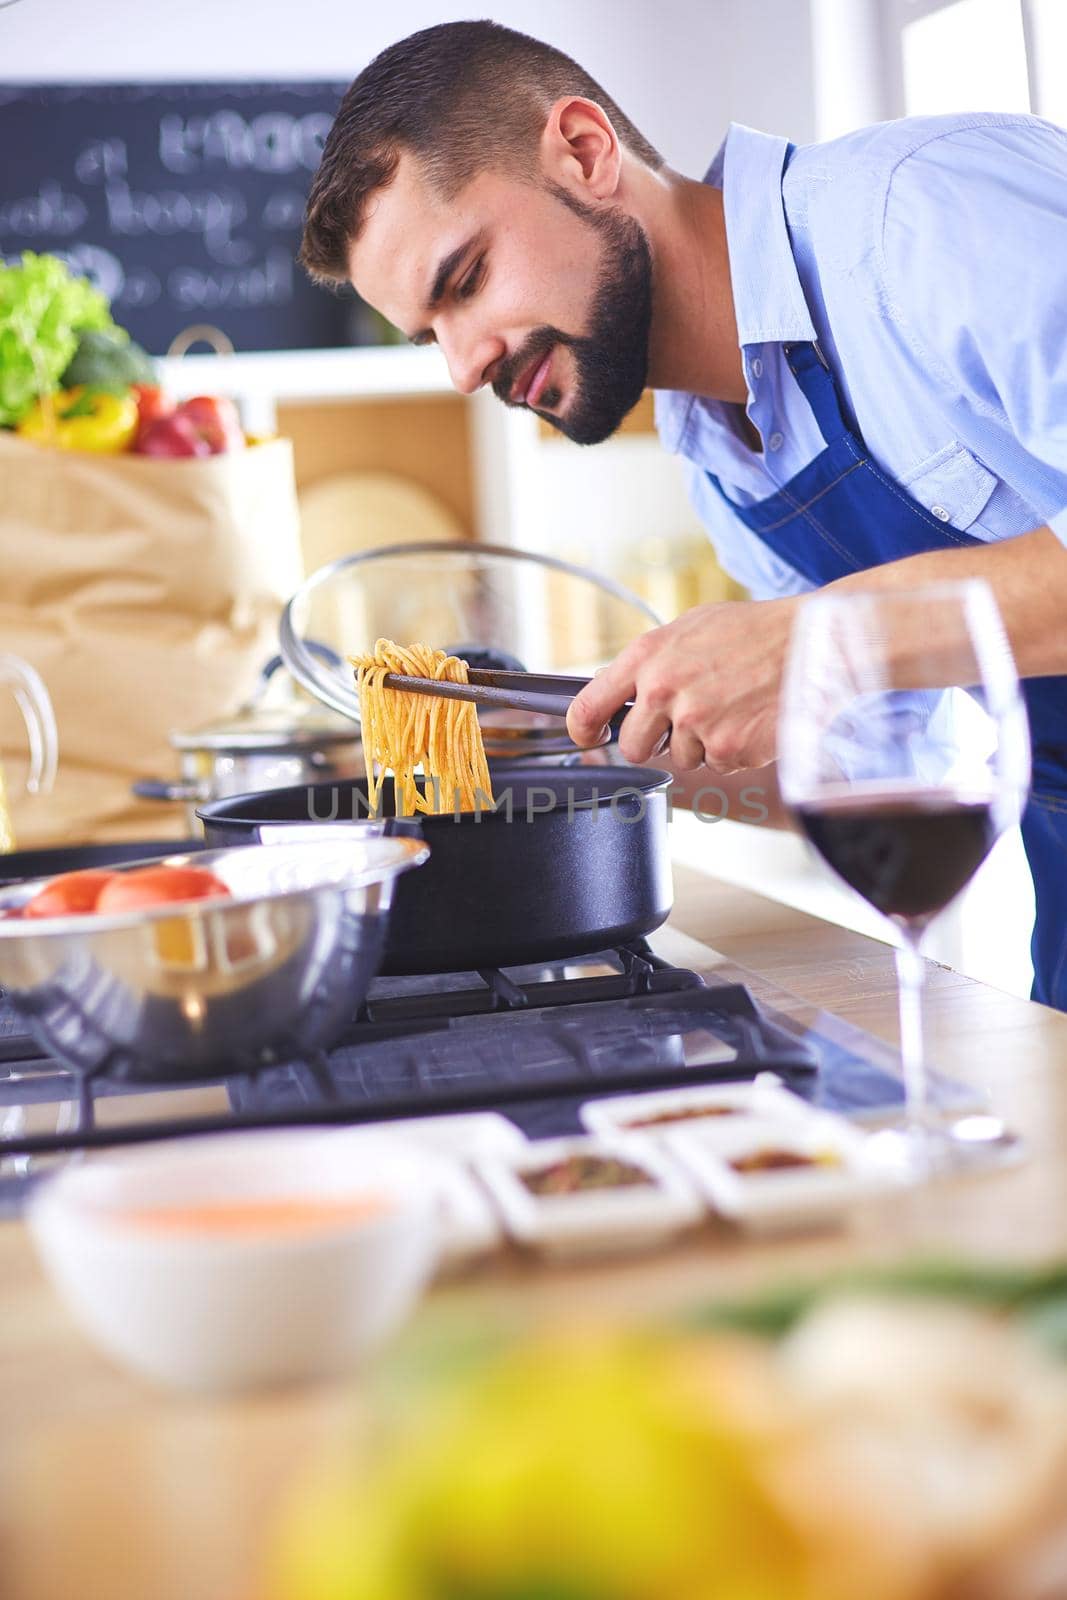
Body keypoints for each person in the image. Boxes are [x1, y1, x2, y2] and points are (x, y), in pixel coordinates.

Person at [300, 20, 1067, 1008]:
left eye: (465, 281)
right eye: (427, 335)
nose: (462, 366)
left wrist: (803, 639)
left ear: (582, 151)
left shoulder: (923, 216)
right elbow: (891, 759)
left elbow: (828, 648)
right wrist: (572, 745)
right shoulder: (715, 459)